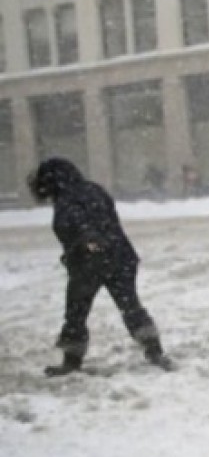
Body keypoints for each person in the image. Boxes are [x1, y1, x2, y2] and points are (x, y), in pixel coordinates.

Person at [27, 158, 174, 376]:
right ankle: (154, 351)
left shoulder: (67, 199)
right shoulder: (93, 190)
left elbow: (80, 222)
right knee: (130, 304)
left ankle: (72, 360)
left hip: (90, 261)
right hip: (120, 255)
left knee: (76, 312)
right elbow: (105, 218)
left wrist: (89, 240)